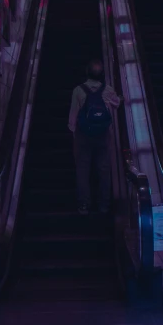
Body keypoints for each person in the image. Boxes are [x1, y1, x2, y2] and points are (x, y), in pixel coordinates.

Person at [68, 59, 121, 215]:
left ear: (87, 73)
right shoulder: (108, 90)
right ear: (102, 75)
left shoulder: (78, 90)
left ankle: (84, 204)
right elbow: (117, 104)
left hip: (83, 135)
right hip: (103, 135)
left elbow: (73, 116)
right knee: (104, 169)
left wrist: (73, 133)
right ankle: (104, 205)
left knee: (82, 170)